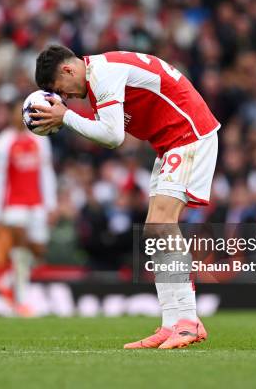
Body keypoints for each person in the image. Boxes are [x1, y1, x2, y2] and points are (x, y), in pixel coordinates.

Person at [30, 45, 220, 348]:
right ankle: (172, 323)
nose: (64, 97)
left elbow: (113, 136)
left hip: (189, 134)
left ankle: (188, 320)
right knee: (154, 230)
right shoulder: (97, 78)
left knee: (162, 225)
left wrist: (65, 117)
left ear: (67, 70)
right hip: (170, 141)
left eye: (60, 90)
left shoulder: (103, 73)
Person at [0, 101, 57, 316]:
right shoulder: (2, 143)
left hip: (36, 204)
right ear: (10, 115)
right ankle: (22, 300)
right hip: (13, 204)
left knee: (38, 250)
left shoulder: (40, 140)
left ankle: (6, 281)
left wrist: (51, 204)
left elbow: (46, 173)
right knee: (21, 245)